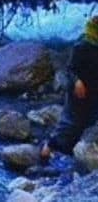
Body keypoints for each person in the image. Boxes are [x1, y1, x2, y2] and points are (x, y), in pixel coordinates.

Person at [42, 16, 98, 159]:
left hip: (94, 89)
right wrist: (77, 82)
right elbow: (70, 69)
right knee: (71, 123)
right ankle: (48, 148)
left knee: (88, 121)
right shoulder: (82, 45)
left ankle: (76, 155)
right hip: (78, 90)